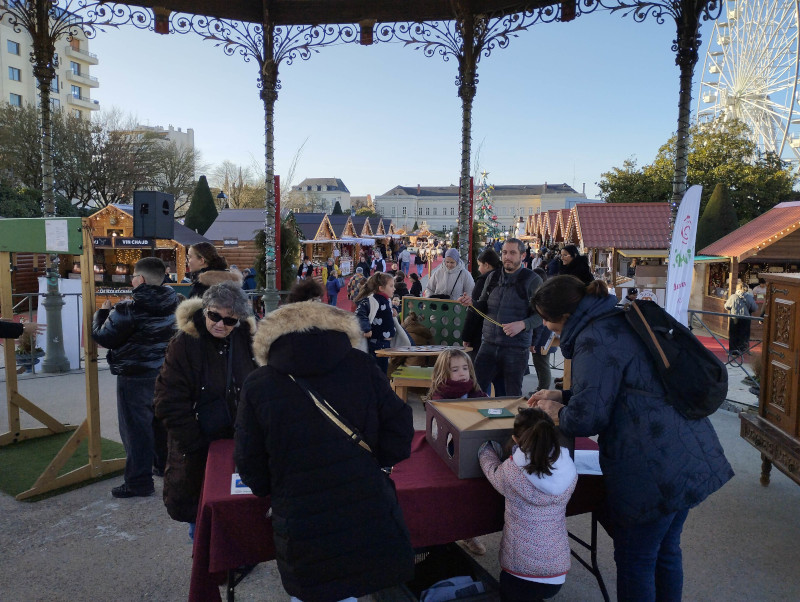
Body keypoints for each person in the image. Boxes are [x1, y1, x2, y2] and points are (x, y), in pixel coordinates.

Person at [529, 275, 733, 600]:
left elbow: (589, 417)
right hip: (687, 450)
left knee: (636, 559)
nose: (543, 324)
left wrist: (557, 413)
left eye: (545, 317)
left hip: (651, 468)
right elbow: (626, 387)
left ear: (565, 317)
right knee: (665, 551)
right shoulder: (618, 317)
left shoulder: (592, 338)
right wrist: (562, 395)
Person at [234, 300, 415, 602]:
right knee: (357, 581)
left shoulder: (258, 383)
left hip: (300, 512)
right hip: (364, 498)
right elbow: (399, 426)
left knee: (317, 588)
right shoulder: (361, 365)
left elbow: (248, 459)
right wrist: (375, 463)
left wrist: (273, 488)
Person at [154, 282, 257, 530]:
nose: (220, 324)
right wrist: (194, 442)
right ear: (205, 310)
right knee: (200, 516)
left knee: (238, 507)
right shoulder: (184, 344)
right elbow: (167, 400)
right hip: (198, 446)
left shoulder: (246, 339)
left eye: (229, 320)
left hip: (237, 442)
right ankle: (206, 563)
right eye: (214, 316)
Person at [91, 258, 179, 498]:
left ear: (139, 280)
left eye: (133, 276)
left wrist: (101, 312)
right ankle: (163, 467)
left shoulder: (128, 309)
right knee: (161, 423)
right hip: (166, 372)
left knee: (136, 430)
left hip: (135, 375)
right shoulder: (176, 302)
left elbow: (103, 337)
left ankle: (138, 482)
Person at [479, 407, 577, 602]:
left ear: (516, 439)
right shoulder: (569, 469)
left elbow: (493, 472)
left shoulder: (512, 471)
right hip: (556, 571)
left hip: (519, 571)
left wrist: (485, 450)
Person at [459, 239, 543, 397]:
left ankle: (509, 422)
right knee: (475, 391)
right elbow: (483, 305)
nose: (507, 257)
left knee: (510, 396)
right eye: (504, 253)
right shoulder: (493, 277)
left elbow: (542, 315)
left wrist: (523, 324)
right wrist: (471, 303)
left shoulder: (533, 280)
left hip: (516, 349)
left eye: (512, 253)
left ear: (523, 255)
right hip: (488, 344)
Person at [426, 348, 488, 556]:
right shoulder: (439, 396)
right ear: (443, 373)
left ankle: (469, 532)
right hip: (448, 451)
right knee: (454, 494)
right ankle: (455, 533)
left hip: (473, 448)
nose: (462, 373)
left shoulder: (476, 392)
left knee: (473, 493)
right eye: (455, 369)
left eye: (465, 368)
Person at [355, 272, 396, 374]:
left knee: (384, 368)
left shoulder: (387, 300)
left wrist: (393, 310)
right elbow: (360, 314)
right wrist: (366, 328)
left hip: (385, 342)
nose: (394, 289)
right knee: (379, 370)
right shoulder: (372, 300)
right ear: (381, 288)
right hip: (376, 342)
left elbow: (384, 314)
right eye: (391, 286)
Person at [724, 281, 758, 356]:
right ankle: (744, 350)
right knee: (744, 334)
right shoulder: (749, 297)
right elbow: (755, 308)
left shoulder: (733, 296)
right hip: (745, 318)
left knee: (733, 334)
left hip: (734, 317)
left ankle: (733, 351)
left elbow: (726, 306)